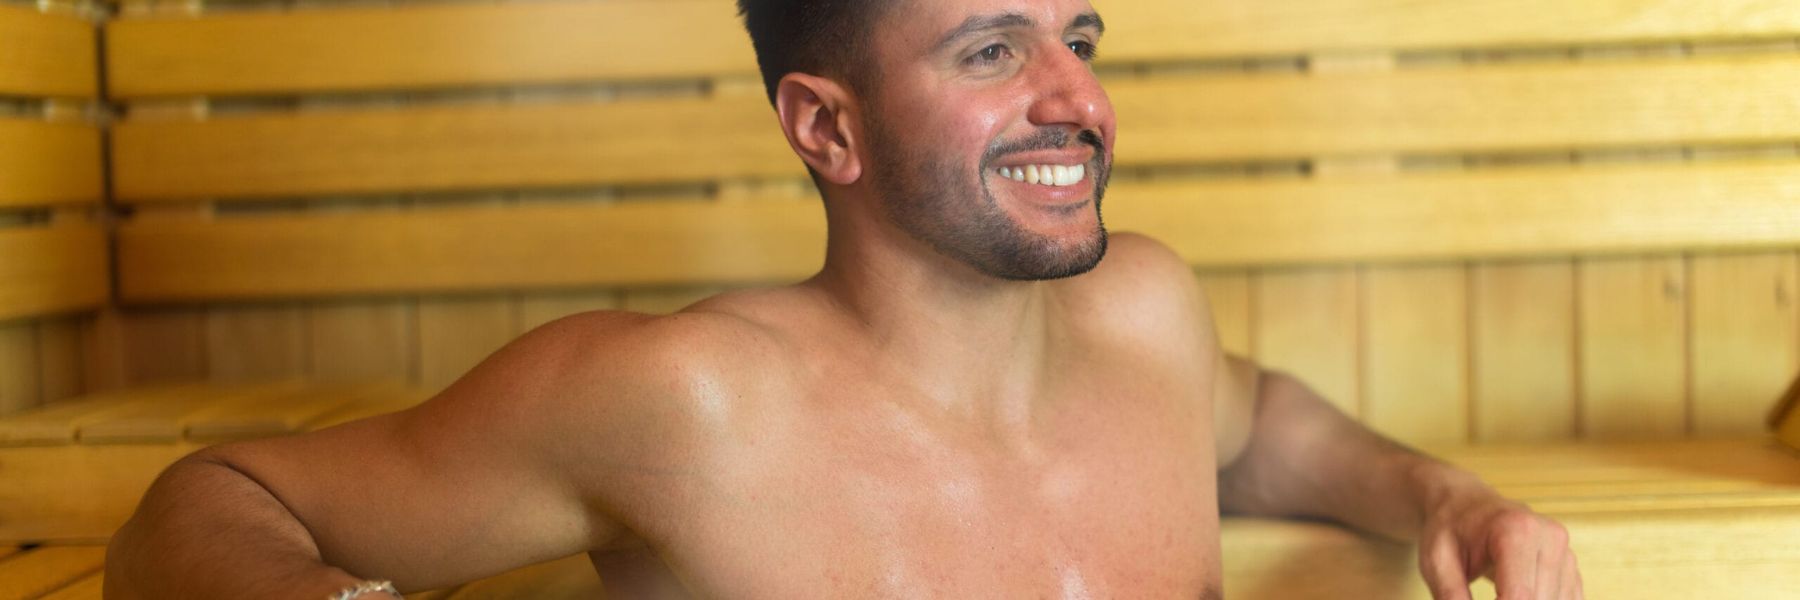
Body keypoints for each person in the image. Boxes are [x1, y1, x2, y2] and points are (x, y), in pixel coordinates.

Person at [106, 0, 1583, 598]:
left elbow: (1257, 432)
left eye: (1075, 35)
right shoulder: (690, 402)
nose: (1080, 100)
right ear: (828, 129)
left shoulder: (1147, 312)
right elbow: (215, 495)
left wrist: (1445, 501)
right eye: (993, 52)